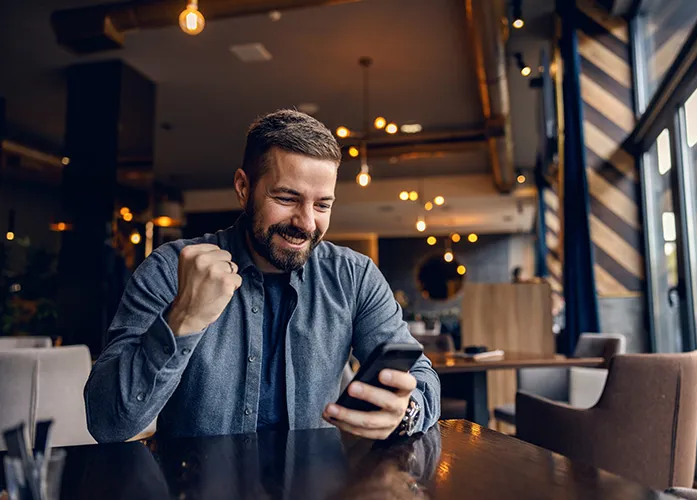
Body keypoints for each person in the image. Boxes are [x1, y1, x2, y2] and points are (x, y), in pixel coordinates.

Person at [84, 110, 440, 442]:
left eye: (322, 205)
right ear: (243, 188)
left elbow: (421, 376)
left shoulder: (355, 276)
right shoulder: (169, 268)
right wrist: (182, 319)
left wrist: (406, 411)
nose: (306, 222)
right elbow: (107, 422)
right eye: (287, 198)